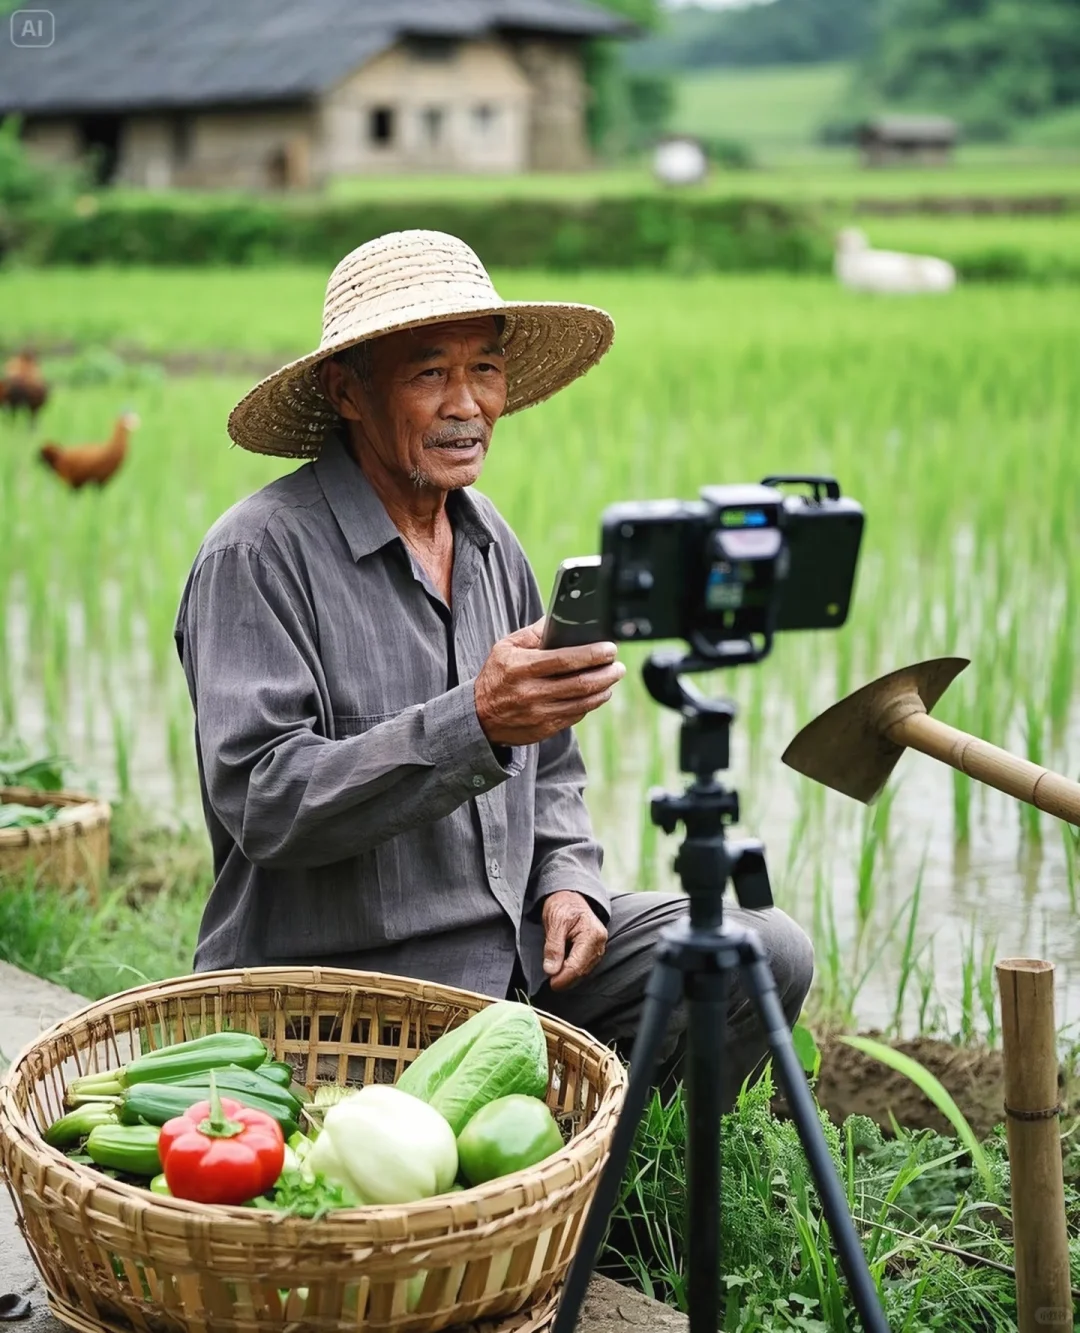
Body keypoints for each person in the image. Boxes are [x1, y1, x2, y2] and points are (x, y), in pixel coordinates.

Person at [175, 230, 813, 1105]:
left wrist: (569, 881)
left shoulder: (488, 540)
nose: (467, 403)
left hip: (514, 959)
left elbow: (551, 766)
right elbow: (264, 800)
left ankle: (620, 1176)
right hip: (344, 992)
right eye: (429, 373)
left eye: (486, 369)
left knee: (764, 951)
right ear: (347, 392)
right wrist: (470, 723)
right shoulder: (257, 555)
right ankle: (537, 1148)